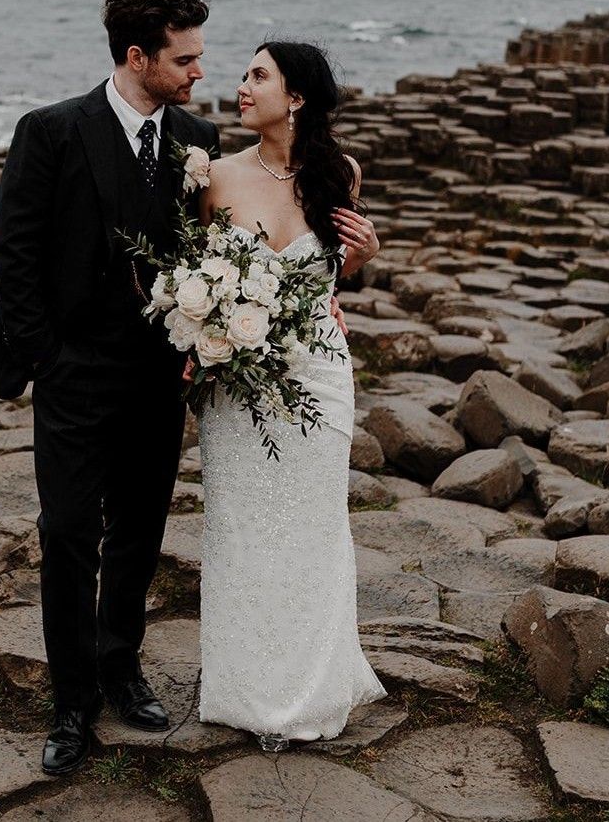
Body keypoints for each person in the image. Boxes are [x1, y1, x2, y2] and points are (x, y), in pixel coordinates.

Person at [0, 0, 220, 776]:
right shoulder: (51, 130)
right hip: (73, 374)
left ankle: (122, 666)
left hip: (158, 374)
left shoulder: (198, 137)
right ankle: (71, 701)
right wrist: (48, 354)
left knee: (140, 531)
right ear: (136, 55)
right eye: (183, 59)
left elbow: (214, 248)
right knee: (68, 533)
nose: (197, 71)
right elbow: (13, 247)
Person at [197, 41, 384, 751]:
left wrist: (362, 260)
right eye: (244, 75)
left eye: (258, 76)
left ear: (296, 96)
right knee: (241, 529)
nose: (242, 87)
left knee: (313, 527)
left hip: (319, 377)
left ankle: (313, 684)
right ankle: (245, 688)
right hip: (237, 383)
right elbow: (193, 274)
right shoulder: (215, 176)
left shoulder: (341, 174)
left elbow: (331, 278)